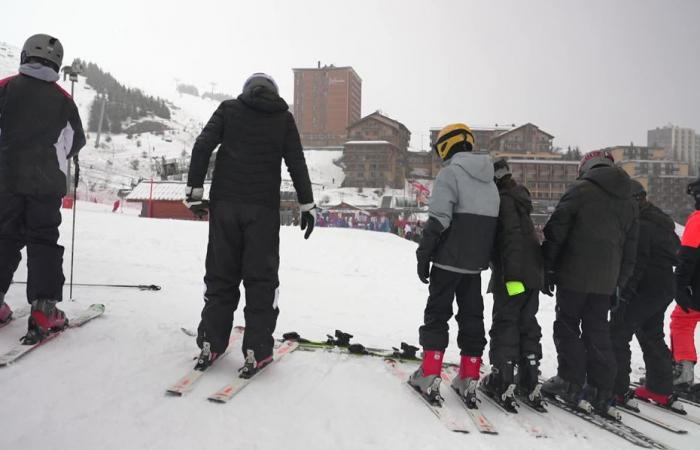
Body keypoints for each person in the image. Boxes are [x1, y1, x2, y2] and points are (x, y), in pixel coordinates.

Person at [184, 73, 315, 377]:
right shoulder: (283, 118)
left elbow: (202, 146)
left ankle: (211, 342)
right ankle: (257, 350)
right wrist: (307, 204)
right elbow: (297, 162)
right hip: (262, 212)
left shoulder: (228, 109)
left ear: (247, 91)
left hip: (225, 207)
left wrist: (194, 193)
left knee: (220, 276)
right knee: (261, 280)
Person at [0, 34, 86, 342]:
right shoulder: (64, 100)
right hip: (46, 183)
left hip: (6, 180)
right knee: (43, 242)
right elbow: (76, 140)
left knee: (4, 237)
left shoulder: (6, 88)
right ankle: (44, 311)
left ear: (25, 56)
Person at [540, 150, 638, 419]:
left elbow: (556, 230)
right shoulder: (629, 201)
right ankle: (601, 390)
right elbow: (631, 249)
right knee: (598, 331)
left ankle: (570, 382)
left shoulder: (580, 191)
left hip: (573, 275)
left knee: (568, 325)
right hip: (606, 282)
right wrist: (619, 282)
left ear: (586, 167)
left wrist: (548, 267)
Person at [409, 123, 499, 407]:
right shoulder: (490, 179)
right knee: (472, 318)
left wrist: (425, 254)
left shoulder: (451, 174)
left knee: (437, 314)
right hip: (475, 266)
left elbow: (439, 219)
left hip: (448, 262)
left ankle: (430, 372)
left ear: (447, 145)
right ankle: (469, 375)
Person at [610, 180, 682, 412]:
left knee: (618, 333)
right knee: (651, 334)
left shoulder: (641, 224)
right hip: (663, 287)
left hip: (644, 288)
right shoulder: (661, 221)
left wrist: (624, 294)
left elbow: (637, 264)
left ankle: (617, 389)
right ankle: (660, 388)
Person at [480, 159, 544, 410]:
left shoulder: (504, 201)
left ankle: (502, 377)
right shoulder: (519, 199)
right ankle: (529, 375)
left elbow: (511, 240)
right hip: (532, 276)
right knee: (527, 323)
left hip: (515, 276)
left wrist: (511, 276)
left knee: (507, 321)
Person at [670, 176, 700, 395]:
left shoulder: (698, 220)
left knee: (681, 322)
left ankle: (684, 372)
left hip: (696, 288)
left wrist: (680, 285)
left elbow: (687, 255)